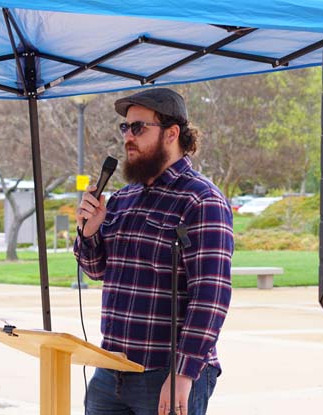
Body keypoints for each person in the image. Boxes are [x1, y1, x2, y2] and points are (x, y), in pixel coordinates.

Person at [74, 88, 234, 415]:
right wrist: (89, 232)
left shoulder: (201, 201)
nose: (128, 137)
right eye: (125, 128)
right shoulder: (122, 199)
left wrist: (183, 372)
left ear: (172, 133)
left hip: (165, 373)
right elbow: (98, 270)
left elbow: (211, 295)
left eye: (138, 128)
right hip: (111, 370)